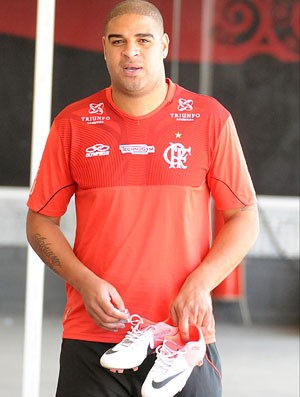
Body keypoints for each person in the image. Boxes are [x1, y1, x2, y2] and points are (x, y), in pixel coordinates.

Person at [26, 1, 259, 396]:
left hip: (183, 338)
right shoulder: (74, 124)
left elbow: (243, 216)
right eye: (118, 41)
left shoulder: (209, 119)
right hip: (95, 337)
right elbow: (39, 221)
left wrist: (202, 283)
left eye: (142, 40)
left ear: (164, 45)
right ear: (104, 48)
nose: (130, 51)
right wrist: (83, 282)